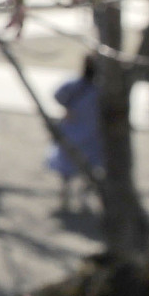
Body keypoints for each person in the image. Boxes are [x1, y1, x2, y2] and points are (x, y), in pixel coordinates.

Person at [47, 56, 103, 211]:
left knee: (69, 169)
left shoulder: (76, 84)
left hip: (73, 131)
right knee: (89, 168)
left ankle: (66, 197)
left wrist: (67, 108)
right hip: (91, 134)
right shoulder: (98, 88)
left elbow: (57, 95)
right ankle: (80, 198)